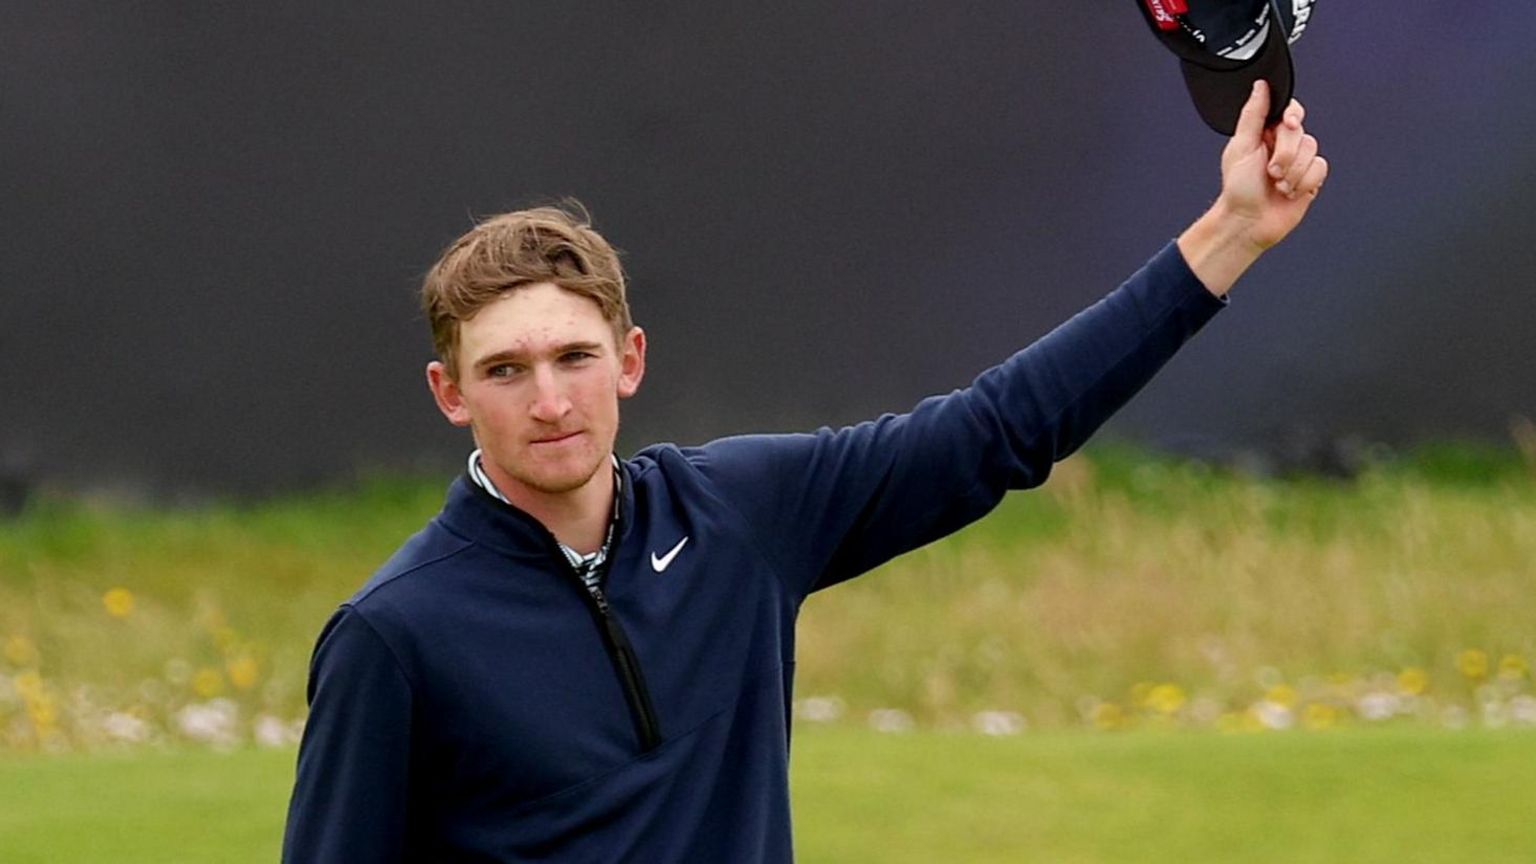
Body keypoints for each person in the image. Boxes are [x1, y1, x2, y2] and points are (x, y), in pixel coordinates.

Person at [282, 81, 1327, 863]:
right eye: (505, 370)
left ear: (630, 361)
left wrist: (1232, 232)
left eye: (574, 358)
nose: (550, 400)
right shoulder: (396, 634)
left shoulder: (738, 515)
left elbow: (994, 434)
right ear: (449, 393)